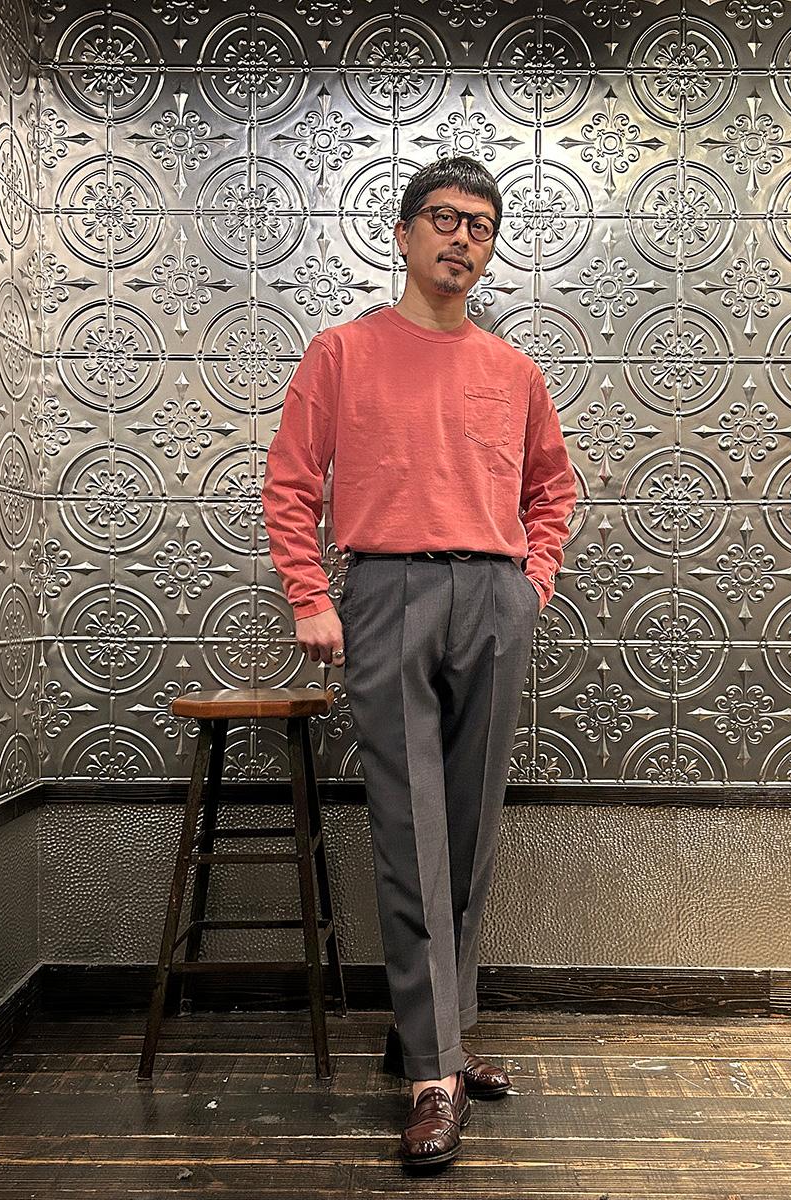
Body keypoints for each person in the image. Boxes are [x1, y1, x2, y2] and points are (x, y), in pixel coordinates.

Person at [260, 155, 577, 1170]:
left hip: (493, 599)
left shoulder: (513, 370)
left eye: (481, 226)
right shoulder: (342, 352)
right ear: (402, 235)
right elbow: (290, 481)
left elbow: (553, 488)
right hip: (389, 592)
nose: (461, 238)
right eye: (443, 218)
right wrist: (311, 596)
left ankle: (432, 1033)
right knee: (409, 828)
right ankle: (434, 1076)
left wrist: (532, 582)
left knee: (470, 831)